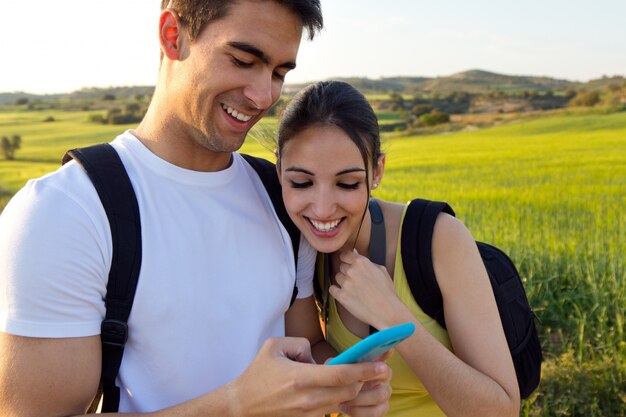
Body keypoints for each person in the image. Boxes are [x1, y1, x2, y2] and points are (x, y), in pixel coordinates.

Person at [0, 3, 392, 416]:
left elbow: (307, 345)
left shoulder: (280, 196)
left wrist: (340, 381)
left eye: (279, 73)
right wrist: (238, 404)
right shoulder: (66, 212)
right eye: (243, 60)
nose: (264, 97)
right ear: (173, 35)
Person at [275, 80, 521, 417]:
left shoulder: (438, 239)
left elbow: (501, 410)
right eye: (301, 183)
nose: (322, 209)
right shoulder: (302, 244)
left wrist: (393, 317)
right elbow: (313, 346)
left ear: (376, 170)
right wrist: (344, 380)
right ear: (278, 169)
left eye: (347, 183)